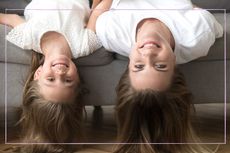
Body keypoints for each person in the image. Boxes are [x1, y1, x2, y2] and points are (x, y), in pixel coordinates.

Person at [89, 0, 223, 152]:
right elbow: (208, 20)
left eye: (139, 66)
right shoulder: (197, 35)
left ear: (129, 64)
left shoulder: (112, 32)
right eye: (160, 66)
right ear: (175, 64)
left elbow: (97, 10)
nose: (148, 53)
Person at [0, 0, 110, 152]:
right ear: (78, 79)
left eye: (51, 79)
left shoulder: (27, 38)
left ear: (38, 74)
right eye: (68, 80)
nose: (60, 73)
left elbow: (10, 18)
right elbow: (99, 10)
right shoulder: (84, 45)